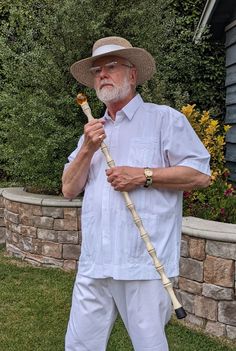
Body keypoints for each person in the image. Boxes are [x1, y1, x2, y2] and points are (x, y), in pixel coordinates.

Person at [62, 36, 211, 351]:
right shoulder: (91, 131)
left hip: (143, 264)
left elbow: (199, 175)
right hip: (95, 263)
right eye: (97, 69)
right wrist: (87, 149)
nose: (102, 74)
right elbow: (68, 189)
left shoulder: (164, 120)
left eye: (112, 66)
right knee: (79, 346)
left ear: (132, 74)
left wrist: (143, 175)